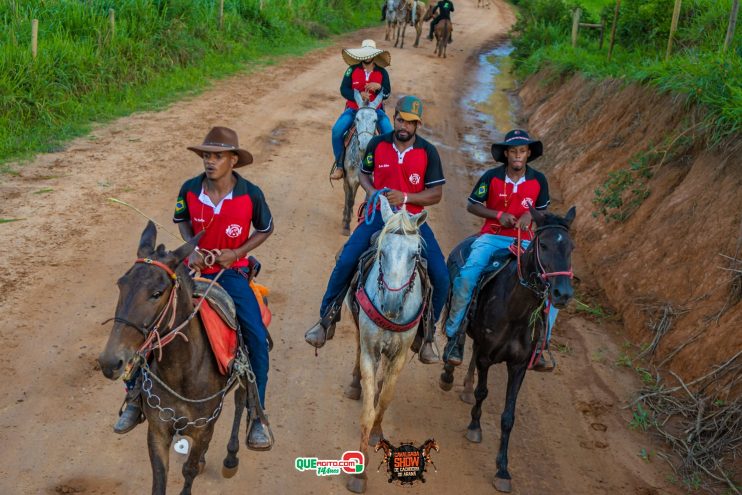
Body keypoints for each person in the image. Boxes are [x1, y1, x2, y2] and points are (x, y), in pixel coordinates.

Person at [114, 127, 275, 450]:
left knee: (256, 336)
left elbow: (266, 228)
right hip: (190, 268)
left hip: (231, 274)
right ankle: (134, 395)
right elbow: (182, 220)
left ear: (233, 160)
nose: (210, 161)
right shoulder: (189, 189)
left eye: (217, 156)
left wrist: (236, 253)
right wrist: (193, 250)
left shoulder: (250, 194)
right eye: (206, 156)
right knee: (148, 316)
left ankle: (257, 414)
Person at [306, 96, 449, 363]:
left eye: (410, 121)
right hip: (377, 217)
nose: (404, 125)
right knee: (346, 260)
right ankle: (326, 319)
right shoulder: (377, 144)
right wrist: (372, 193)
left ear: (417, 125)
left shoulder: (428, 152)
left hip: (411, 221)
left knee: (441, 275)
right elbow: (363, 173)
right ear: (393, 118)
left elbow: (436, 194)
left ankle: (426, 335)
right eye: (400, 119)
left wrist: (405, 198)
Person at [442, 129, 555, 367]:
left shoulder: (539, 180)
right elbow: (472, 205)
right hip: (491, 237)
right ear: (506, 153)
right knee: (466, 276)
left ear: (528, 154)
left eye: (522, 151)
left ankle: (540, 346)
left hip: (525, 240)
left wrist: (529, 214)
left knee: (549, 287)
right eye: (513, 151)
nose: (517, 155)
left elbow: (543, 210)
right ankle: (454, 336)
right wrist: (498, 214)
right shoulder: (491, 177)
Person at [330, 40, 394, 181]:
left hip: (375, 111)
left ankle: (388, 168)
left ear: (374, 55)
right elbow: (343, 89)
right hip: (354, 110)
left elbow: (388, 93)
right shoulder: (351, 70)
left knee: (390, 134)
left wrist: (379, 87)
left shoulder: (382, 72)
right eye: (364, 54)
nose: (367, 56)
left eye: (369, 54)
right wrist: (357, 93)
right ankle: (340, 166)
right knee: (336, 131)